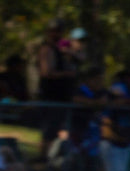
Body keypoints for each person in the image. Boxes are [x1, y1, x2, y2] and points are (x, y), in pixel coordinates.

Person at [37, 18, 76, 160]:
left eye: (58, 31)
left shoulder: (63, 49)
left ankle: (53, 160)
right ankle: (43, 159)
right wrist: (67, 74)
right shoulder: (46, 49)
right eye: (53, 31)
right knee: (49, 132)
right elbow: (46, 72)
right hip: (51, 96)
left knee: (59, 131)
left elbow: (81, 56)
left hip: (62, 97)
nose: (56, 34)